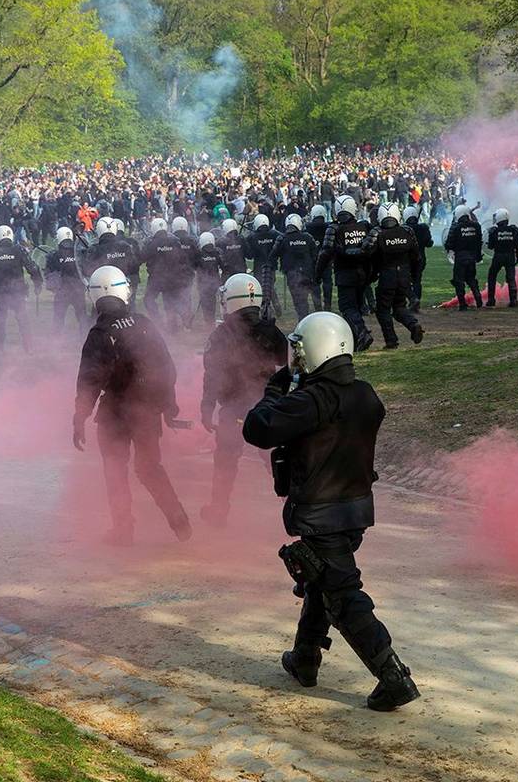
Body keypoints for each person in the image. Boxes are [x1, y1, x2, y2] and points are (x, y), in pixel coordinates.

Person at [241, 311, 419, 712]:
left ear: (317, 349)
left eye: (301, 351)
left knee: (343, 594)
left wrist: (275, 390)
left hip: (321, 513)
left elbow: (257, 429)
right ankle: (305, 658)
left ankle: (394, 677)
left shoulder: (311, 400)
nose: (296, 358)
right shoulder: (365, 394)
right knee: (320, 582)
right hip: (354, 511)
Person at [73, 265, 191, 547]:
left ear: (96, 296)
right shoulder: (144, 323)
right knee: (150, 467)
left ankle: (123, 530)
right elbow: (166, 367)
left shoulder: (99, 333)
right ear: (122, 291)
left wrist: (79, 417)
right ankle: (179, 519)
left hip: (115, 413)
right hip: (147, 409)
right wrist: (169, 405)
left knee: (115, 470)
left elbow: (90, 380)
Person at [199, 274, 286, 527]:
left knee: (225, 461)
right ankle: (293, 506)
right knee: (275, 459)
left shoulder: (221, 335)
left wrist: (207, 407)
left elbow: (212, 375)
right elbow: (287, 363)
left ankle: (219, 511)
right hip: (268, 407)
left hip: (234, 410)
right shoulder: (271, 330)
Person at [315, 196, 374, 351]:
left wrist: (317, 275)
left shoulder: (334, 228)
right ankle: (356, 340)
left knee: (348, 308)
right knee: (357, 306)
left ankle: (362, 333)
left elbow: (325, 253)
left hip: (345, 274)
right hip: (363, 274)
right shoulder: (364, 226)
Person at [362, 204, 424, 347]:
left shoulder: (377, 232)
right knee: (399, 307)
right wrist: (413, 276)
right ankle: (413, 325)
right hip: (404, 276)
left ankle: (391, 340)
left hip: (386, 276)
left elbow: (365, 250)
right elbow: (416, 256)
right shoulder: (407, 231)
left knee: (383, 309)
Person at [0, 225, 41, 356]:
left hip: (1, 293)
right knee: (22, 319)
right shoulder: (18, 250)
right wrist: (38, 282)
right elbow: (32, 267)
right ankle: (29, 346)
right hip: (18, 292)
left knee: (0, 321)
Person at [268, 214, 317, 321]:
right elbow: (315, 255)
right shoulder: (308, 237)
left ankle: (304, 321)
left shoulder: (282, 238)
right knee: (311, 298)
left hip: (292, 275)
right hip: (308, 273)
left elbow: (272, 255)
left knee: (299, 302)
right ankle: (313, 318)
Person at [444, 204, 484, 311]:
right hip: (472, 257)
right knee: (471, 279)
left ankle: (462, 305)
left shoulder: (456, 227)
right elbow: (479, 243)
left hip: (460, 258)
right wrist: (478, 256)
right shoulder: (476, 226)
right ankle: (479, 300)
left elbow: (448, 244)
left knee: (459, 281)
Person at [45, 227, 84, 331]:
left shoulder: (54, 255)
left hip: (62, 291)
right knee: (82, 318)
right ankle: (86, 340)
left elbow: (48, 275)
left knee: (58, 318)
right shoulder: (80, 253)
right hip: (79, 290)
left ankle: (56, 342)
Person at [244, 214, 282, 318]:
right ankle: (275, 307)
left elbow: (249, 255)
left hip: (259, 267)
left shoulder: (252, 237)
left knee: (260, 288)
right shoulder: (275, 234)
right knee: (270, 286)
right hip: (272, 266)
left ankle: (265, 308)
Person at [484, 208, 518, 307]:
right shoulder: (513, 230)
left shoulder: (494, 231)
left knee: (492, 276)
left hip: (498, 256)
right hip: (510, 256)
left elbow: (490, 246)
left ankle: (491, 300)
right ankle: (513, 300)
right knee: (511, 278)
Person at [402, 206, 433, 312]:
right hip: (420, 259)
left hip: (407, 260)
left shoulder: (403, 229)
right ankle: (416, 302)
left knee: (404, 281)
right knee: (417, 281)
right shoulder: (423, 228)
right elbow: (429, 243)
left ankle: (412, 300)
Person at [194, 231, 223, 325]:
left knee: (205, 302)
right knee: (213, 300)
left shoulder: (198, 254)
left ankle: (208, 321)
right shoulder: (217, 252)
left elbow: (193, 266)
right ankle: (211, 319)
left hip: (203, 283)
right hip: (215, 282)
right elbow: (222, 265)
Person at [306, 204, 332, 311]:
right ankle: (328, 305)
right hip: (326, 259)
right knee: (327, 282)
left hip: (313, 260)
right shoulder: (328, 226)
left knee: (315, 284)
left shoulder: (308, 227)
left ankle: (317, 307)